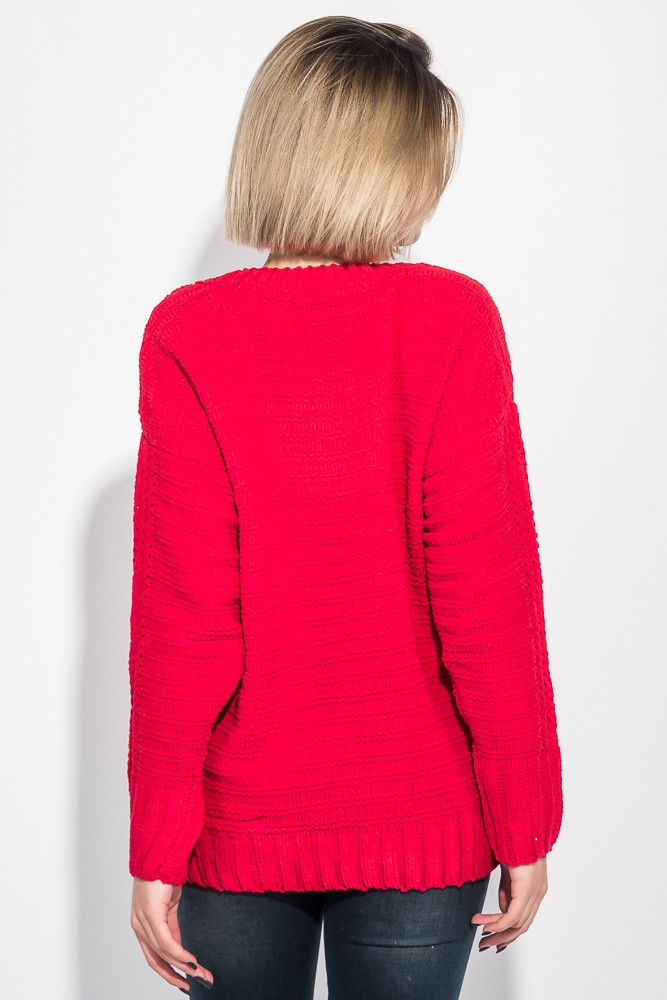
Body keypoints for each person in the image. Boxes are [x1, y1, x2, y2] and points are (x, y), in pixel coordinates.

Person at [127, 15, 562, 1000]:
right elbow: (486, 601)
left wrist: (155, 842)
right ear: (394, 166)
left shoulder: (191, 332)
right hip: (421, 813)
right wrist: (524, 818)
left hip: (238, 820)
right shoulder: (452, 320)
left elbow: (185, 622)